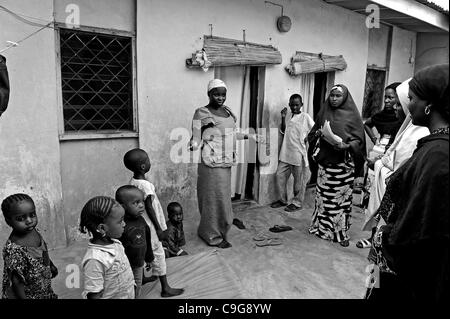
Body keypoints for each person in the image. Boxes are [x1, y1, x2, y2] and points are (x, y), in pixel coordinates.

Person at [365, 64, 449, 302]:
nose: (406, 106)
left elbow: (422, 222)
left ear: (429, 104)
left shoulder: (438, 154)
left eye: (411, 99)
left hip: (410, 271)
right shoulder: (434, 145)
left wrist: (384, 237)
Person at [356, 79, 429, 249]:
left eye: (400, 103)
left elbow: (400, 171)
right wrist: (380, 161)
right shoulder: (407, 129)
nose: (394, 106)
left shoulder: (417, 134)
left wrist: (379, 164)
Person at [189, 79, 261, 248]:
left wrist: (250, 136)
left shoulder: (227, 112)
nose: (220, 98)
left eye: (223, 94)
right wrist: (194, 144)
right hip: (211, 165)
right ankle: (211, 235)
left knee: (222, 198)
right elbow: (196, 135)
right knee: (211, 199)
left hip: (225, 162)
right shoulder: (202, 112)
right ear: (209, 94)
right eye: (216, 94)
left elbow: (230, 134)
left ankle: (222, 227)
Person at [307, 84, 366, 247]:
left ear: (345, 97)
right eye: (332, 95)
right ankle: (321, 228)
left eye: (338, 96)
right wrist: (318, 134)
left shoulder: (353, 116)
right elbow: (312, 133)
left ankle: (339, 233)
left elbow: (358, 140)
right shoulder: (324, 112)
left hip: (343, 168)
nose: (334, 99)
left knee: (339, 202)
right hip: (325, 167)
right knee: (323, 199)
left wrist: (347, 146)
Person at [123, 148, 184, 297]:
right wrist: (159, 228)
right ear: (143, 166)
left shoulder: (133, 182)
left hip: (141, 225)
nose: (150, 162)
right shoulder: (146, 186)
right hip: (150, 226)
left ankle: (143, 277)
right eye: (148, 160)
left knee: (144, 251)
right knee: (158, 253)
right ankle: (165, 288)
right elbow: (150, 207)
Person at [1, 194, 58, 299]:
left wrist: (50, 264)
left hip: (40, 286)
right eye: (20, 218)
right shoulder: (14, 250)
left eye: (32, 215)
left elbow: (42, 250)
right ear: (8, 221)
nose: (29, 221)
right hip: (27, 294)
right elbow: (16, 283)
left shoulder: (33, 231)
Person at [79, 196, 135, 299]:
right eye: (120, 221)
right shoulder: (95, 259)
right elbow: (94, 294)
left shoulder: (116, 243)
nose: (124, 224)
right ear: (102, 228)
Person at [270, 94, 315, 212]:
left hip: (297, 153)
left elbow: (315, 130)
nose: (294, 107)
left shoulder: (305, 117)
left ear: (301, 105)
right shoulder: (289, 115)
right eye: (292, 105)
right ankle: (282, 200)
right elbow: (284, 130)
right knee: (279, 175)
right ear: (289, 105)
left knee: (298, 181)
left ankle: (297, 202)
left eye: (297, 105)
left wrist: (308, 138)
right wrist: (283, 117)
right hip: (285, 152)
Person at [115, 185, 154, 298]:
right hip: (123, 266)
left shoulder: (141, 221)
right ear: (123, 207)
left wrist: (149, 257)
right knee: (125, 287)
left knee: (137, 284)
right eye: (136, 203)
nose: (142, 205)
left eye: (142, 201)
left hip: (138, 263)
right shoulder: (119, 225)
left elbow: (147, 240)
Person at [364, 83, 404, 151]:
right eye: (385, 97)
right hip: (380, 149)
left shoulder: (403, 116)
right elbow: (367, 124)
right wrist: (374, 140)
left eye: (390, 98)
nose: (386, 101)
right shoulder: (380, 115)